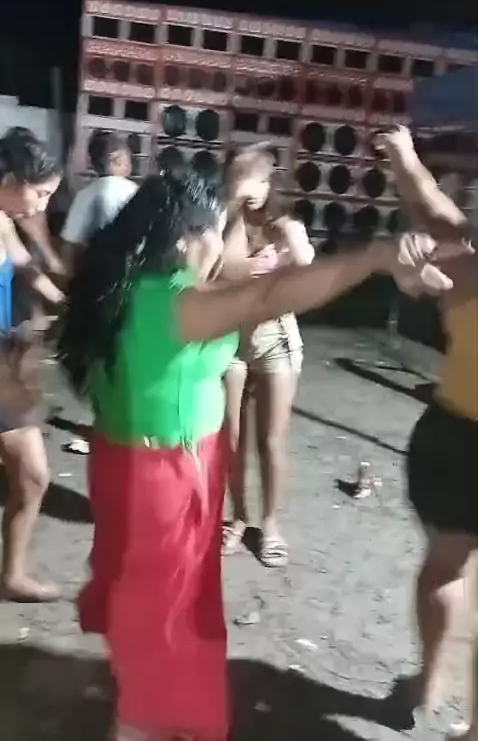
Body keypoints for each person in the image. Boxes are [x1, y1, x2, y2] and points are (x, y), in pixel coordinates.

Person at [57, 160, 444, 741]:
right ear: (187, 241)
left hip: (122, 461)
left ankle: (142, 706)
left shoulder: (127, 283)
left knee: (142, 602)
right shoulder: (178, 305)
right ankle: (135, 723)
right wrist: (375, 257)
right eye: (215, 232)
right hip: (165, 477)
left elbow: (244, 277)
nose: (221, 245)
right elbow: (270, 293)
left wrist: (241, 214)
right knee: (162, 616)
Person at [378, 126, 477, 741]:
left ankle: (428, 683)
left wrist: (404, 157)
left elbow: (440, 220)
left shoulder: (468, 273)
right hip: (456, 438)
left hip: (459, 437)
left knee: (444, 567)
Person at [221, 143, 314, 566]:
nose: (250, 189)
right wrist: (232, 213)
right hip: (229, 340)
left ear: (269, 180)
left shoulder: (283, 223)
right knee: (232, 439)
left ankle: (271, 524)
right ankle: (239, 517)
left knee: (271, 440)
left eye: (257, 180)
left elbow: (306, 262)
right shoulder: (224, 220)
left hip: (276, 339)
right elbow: (218, 268)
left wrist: (292, 240)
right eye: (241, 179)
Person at [0, 127, 64, 602]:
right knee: (31, 475)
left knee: (32, 476)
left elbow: (26, 267)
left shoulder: (4, 220)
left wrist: (69, 304)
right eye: (40, 194)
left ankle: (13, 575)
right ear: (10, 180)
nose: (42, 205)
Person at [61, 131, 137, 273]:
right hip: (128, 268)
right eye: (129, 161)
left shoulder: (84, 195)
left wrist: (70, 275)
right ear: (118, 161)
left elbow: (70, 241)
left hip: (93, 269)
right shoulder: (134, 191)